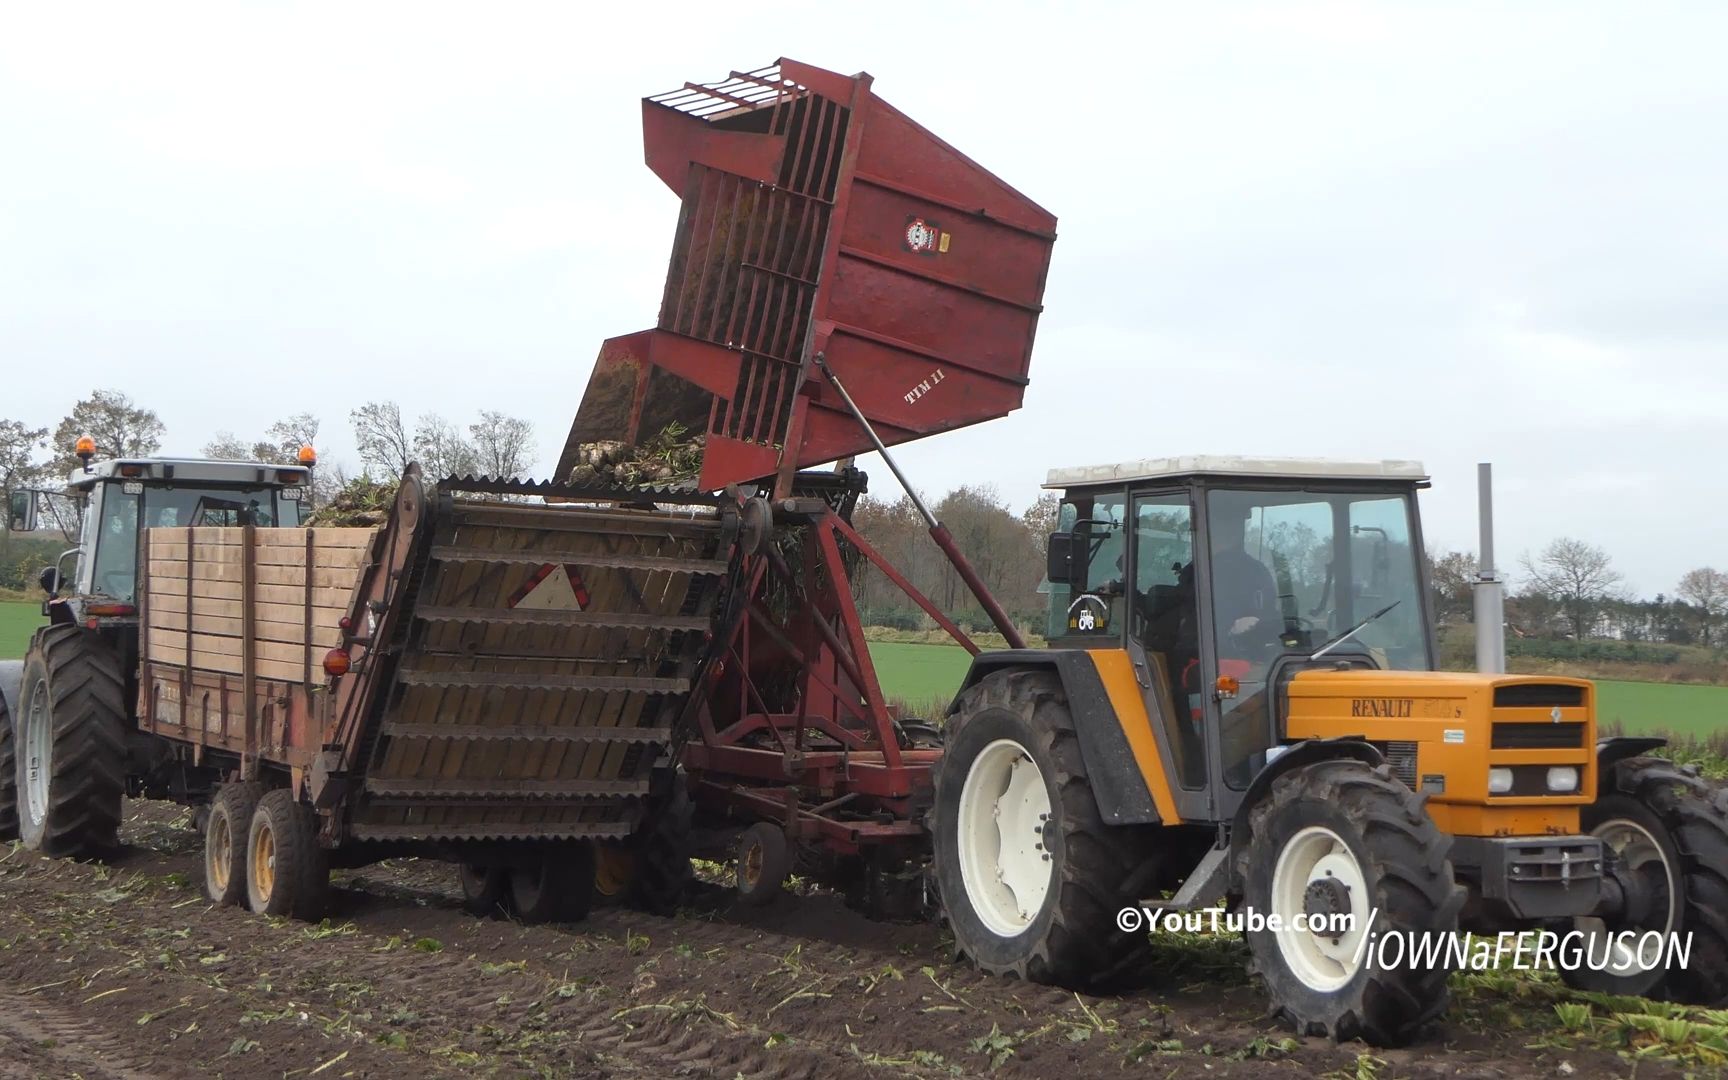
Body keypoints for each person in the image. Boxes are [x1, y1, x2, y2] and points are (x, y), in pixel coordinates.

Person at [1209, 503, 1281, 657]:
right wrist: (1229, 629)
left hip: (1257, 656)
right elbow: (1189, 631)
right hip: (1212, 661)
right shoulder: (1195, 574)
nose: (1230, 529)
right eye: (1224, 522)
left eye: (1234, 522)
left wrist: (1262, 623)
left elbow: (1270, 613)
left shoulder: (1257, 571)